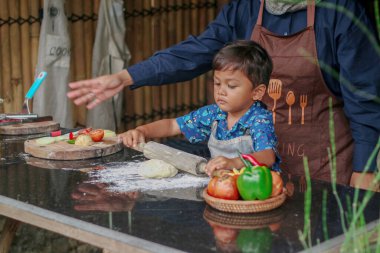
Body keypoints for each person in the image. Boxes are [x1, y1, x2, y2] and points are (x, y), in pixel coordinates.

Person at [67, 0, 380, 189]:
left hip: (323, 166)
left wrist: (366, 170)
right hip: (249, 182)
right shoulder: (246, 7)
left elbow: (365, 99)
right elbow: (196, 51)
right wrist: (127, 76)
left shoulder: (341, 10)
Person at [119, 41, 280, 175]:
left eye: (231, 85)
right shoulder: (213, 114)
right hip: (222, 188)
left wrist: (234, 162)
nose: (221, 91)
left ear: (257, 92)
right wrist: (142, 131)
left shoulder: (259, 119)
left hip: (256, 190)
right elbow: (173, 125)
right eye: (217, 83)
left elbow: (267, 156)